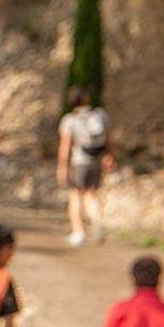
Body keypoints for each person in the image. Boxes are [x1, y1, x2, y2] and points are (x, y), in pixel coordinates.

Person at [57, 88, 114, 247]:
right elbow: (108, 139)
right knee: (91, 195)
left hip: (78, 162)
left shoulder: (69, 120)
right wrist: (108, 156)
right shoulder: (100, 115)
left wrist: (62, 167)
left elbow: (65, 146)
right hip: (95, 162)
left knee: (75, 196)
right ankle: (97, 222)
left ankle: (78, 232)